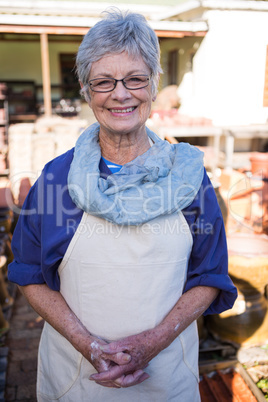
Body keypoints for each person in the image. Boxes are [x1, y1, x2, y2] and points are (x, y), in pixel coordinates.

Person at [8, 9, 237, 402]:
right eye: (103, 82)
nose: (120, 93)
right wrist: (87, 344)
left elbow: (210, 276)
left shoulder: (190, 179)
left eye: (135, 78)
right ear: (85, 88)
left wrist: (154, 341)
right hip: (77, 380)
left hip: (165, 379)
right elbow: (29, 273)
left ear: (154, 84)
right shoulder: (57, 180)